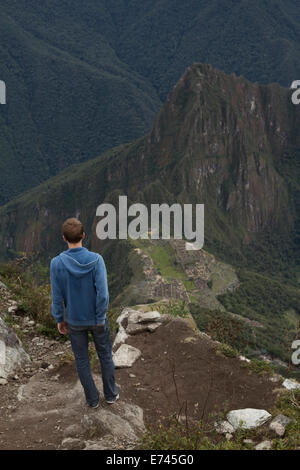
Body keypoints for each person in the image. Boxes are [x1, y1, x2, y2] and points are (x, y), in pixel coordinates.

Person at [50, 217, 119, 408]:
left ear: (64, 238)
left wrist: (59, 318)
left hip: (74, 321)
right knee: (105, 356)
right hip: (97, 319)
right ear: (83, 235)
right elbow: (103, 294)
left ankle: (92, 399)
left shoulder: (56, 264)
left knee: (82, 360)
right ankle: (111, 394)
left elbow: (57, 296)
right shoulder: (97, 260)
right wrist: (99, 316)